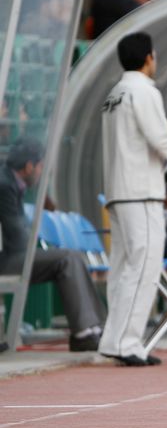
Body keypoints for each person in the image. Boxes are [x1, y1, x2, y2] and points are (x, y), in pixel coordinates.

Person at [99, 32, 167, 367]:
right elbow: (160, 139)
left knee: (122, 268)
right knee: (143, 267)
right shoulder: (144, 91)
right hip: (141, 191)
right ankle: (128, 343)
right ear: (148, 57)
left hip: (118, 191)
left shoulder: (115, 93)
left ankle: (113, 339)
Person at [0, 138, 106, 352]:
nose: (42, 172)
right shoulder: (5, 185)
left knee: (70, 257)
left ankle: (92, 327)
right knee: (66, 258)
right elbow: (15, 233)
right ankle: (85, 332)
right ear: (29, 166)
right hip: (8, 259)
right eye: (40, 166)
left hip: (13, 255)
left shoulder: (12, 182)